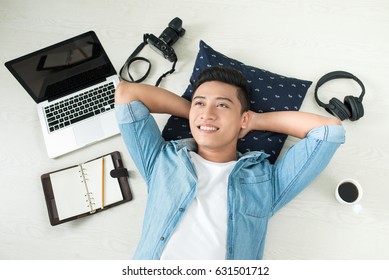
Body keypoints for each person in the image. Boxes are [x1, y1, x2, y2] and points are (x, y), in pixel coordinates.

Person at [114, 66, 345, 260]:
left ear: (243, 117)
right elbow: (126, 93)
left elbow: (328, 131)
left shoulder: (264, 182)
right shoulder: (161, 160)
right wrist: (199, 117)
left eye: (222, 105)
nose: (208, 112)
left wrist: (254, 121)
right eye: (200, 103)